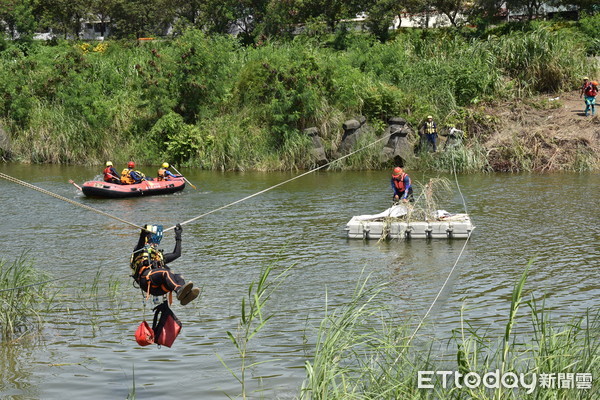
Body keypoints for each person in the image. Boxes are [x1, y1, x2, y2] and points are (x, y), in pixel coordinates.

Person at [130, 223, 200, 306]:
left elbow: (177, 254)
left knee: (179, 276)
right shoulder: (139, 251)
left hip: (160, 288)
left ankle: (185, 295)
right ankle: (178, 290)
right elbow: (140, 243)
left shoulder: (158, 256)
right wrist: (143, 233)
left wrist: (178, 236)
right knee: (165, 272)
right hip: (146, 281)